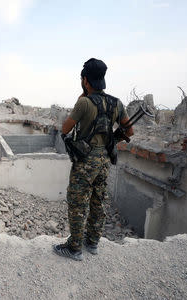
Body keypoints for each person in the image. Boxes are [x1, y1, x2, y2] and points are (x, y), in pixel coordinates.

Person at [53, 58, 134, 260]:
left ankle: (74, 248)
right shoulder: (116, 103)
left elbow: (65, 129)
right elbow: (129, 130)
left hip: (85, 161)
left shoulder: (84, 102)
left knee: (77, 202)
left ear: (86, 80)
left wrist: (83, 95)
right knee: (98, 201)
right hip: (105, 159)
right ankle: (92, 243)